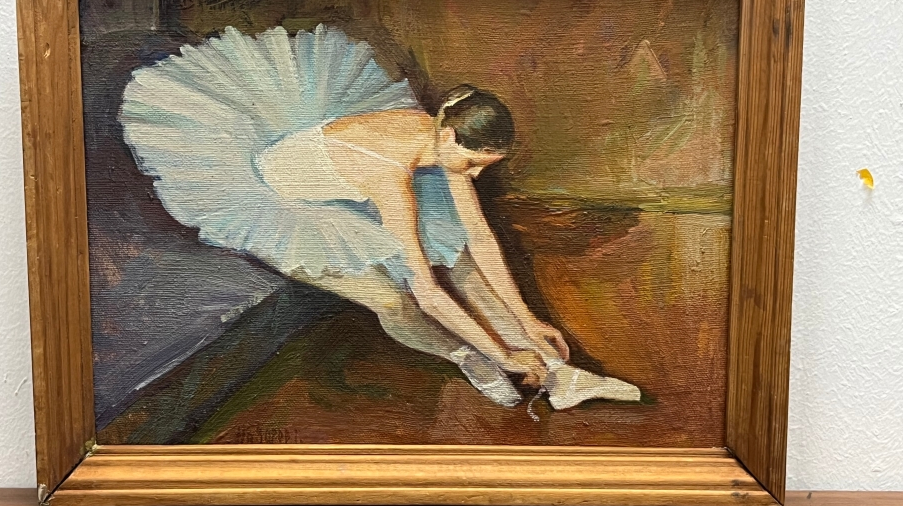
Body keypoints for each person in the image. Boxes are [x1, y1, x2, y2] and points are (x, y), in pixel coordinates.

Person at [120, 24, 640, 411]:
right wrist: (499, 353)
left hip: (347, 190)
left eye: (485, 167)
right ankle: (467, 358)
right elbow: (426, 292)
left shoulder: (439, 137)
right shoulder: (390, 174)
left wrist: (528, 321)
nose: (476, 175)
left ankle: (561, 376)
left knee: (462, 258)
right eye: (474, 164)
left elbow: (480, 237)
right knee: (394, 300)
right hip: (282, 202)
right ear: (451, 136)